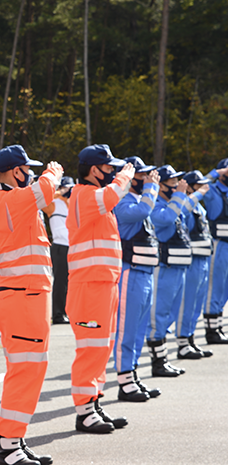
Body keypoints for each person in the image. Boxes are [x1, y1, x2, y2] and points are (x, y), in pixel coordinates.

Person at [0, 144, 60, 465]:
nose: (32, 174)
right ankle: (10, 447)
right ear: (16, 171)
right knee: (27, 370)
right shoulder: (15, 199)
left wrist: (5, 288)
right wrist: (53, 170)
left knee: (26, 369)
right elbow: (47, 189)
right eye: (28, 169)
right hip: (24, 297)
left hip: (14, 295)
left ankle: (14, 442)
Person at [66, 144, 132, 434]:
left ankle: (93, 404)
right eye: (109, 168)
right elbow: (113, 194)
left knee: (102, 347)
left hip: (103, 283)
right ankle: (84, 411)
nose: (113, 172)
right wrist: (126, 176)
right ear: (95, 170)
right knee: (90, 348)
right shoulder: (84, 195)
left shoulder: (95, 199)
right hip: (89, 285)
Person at [146, 165, 206, 376]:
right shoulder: (158, 205)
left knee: (171, 313)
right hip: (165, 267)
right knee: (159, 315)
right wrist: (180, 195)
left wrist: (181, 197)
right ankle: (158, 362)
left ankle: (164, 358)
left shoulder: (173, 203)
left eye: (176, 182)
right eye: (171, 183)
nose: (175, 186)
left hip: (179, 266)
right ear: (160, 186)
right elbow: (165, 219)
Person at [112, 156, 161, 402]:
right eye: (142, 176)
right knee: (126, 330)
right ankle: (124, 381)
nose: (147, 179)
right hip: (129, 273)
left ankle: (132, 375)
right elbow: (143, 210)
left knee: (139, 329)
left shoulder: (140, 201)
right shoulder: (123, 202)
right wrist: (153, 188)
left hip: (144, 274)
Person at [179, 171, 214, 358]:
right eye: (198, 185)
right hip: (191, 261)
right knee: (188, 303)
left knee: (196, 304)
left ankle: (190, 338)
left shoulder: (199, 206)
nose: (203, 188)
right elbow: (182, 211)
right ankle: (182, 343)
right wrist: (195, 194)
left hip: (203, 259)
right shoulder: (186, 203)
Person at [201, 159, 228, 344]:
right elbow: (198, 185)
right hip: (218, 244)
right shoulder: (212, 191)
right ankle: (211, 331)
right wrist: (215, 173)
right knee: (214, 287)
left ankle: (218, 325)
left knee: (225, 289)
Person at [42, 176, 74, 325]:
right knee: (60, 282)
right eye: (66, 187)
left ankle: (67, 311)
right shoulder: (54, 203)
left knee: (71, 282)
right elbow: (40, 200)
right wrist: (59, 192)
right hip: (60, 246)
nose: (69, 191)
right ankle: (58, 314)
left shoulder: (72, 204)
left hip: (73, 246)